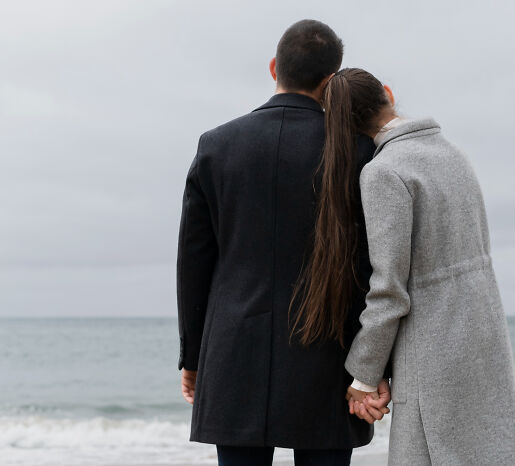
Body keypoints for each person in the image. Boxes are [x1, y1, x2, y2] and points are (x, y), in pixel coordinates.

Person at [176, 22, 390, 466]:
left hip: (235, 355)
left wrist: (193, 357)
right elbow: (376, 266)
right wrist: (377, 367)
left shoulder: (216, 146)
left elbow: (194, 263)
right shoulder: (359, 151)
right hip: (329, 358)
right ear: (331, 82)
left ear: (274, 67)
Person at [320, 68, 515, 465]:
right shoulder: (452, 152)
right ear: (388, 92)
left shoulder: (383, 172)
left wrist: (363, 375)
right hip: (484, 337)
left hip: (432, 350)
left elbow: (389, 289)